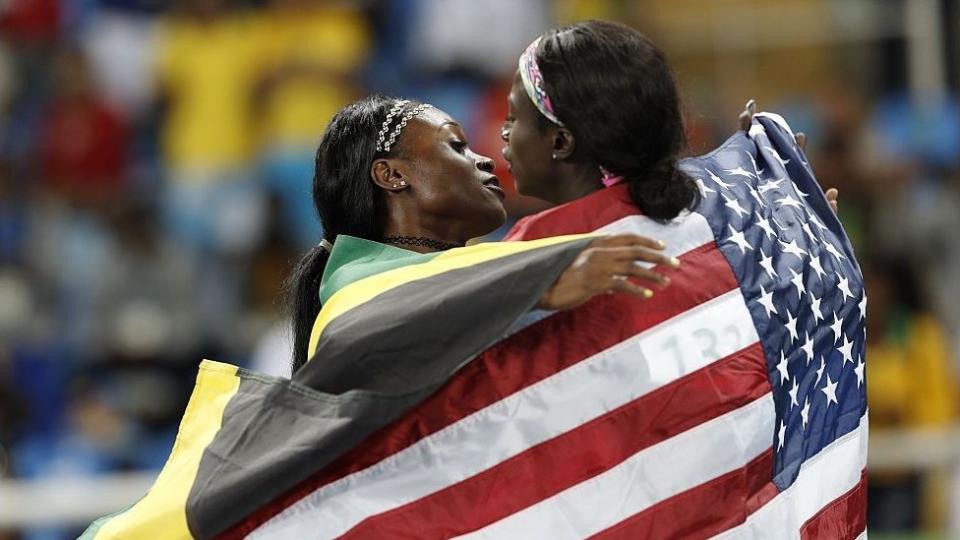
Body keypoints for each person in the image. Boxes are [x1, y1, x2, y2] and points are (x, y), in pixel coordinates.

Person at [286, 94, 680, 373]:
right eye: (457, 147)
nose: (486, 159)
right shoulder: (354, 294)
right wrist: (535, 284)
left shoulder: (488, 267)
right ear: (392, 175)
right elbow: (387, 322)